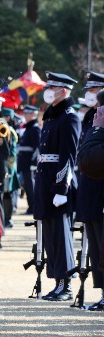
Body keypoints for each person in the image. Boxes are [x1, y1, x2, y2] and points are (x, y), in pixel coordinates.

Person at [35, 72, 80, 301]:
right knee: (51, 235)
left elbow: (68, 156)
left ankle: (66, 284)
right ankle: (57, 281)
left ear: (63, 90)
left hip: (57, 183)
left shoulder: (69, 117)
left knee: (61, 236)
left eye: (52, 87)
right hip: (45, 180)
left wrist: (62, 188)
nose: (48, 90)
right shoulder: (52, 115)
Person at [74, 73, 104, 310]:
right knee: (96, 245)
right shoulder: (90, 117)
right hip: (90, 189)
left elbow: (92, 156)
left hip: (99, 188)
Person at [17, 104, 41, 215]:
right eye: (25, 113)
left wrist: (34, 162)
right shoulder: (28, 128)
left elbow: (38, 147)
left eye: (28, 113)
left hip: (30, 163)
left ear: (33, 115)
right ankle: (31, 207)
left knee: (31, 187)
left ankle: (33, 208)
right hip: (25, 163)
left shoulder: (35, 128)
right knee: (27, 187)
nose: (25, 115)